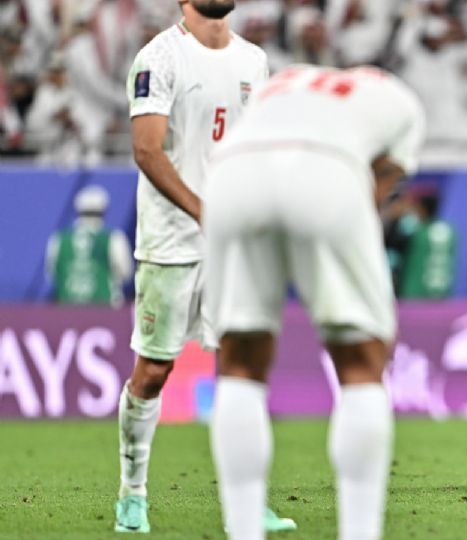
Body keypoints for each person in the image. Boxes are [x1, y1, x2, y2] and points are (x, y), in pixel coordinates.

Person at [203, 65, 425, 540]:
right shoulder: (401, 100)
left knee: (239, 360)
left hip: (230, 171)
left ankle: (243, 531)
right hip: (327, 167)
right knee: (362, 361)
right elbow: (375, 189)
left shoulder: (286, 80)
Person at [115, 0, 288, 534]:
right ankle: (133, 493)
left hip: (234, 244)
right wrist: (202, 210)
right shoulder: (158, 58)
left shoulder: (254, 60)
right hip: (171, 244)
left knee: (242, 370)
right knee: (154, 372)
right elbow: (147, 150)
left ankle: (248, 501)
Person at [45, 185, 132, 306]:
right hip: (106, 310)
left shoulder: (59, 238)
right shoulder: (114, 237)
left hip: (67, 311)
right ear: (104, 211)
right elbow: (125, 273)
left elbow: (52, 274)